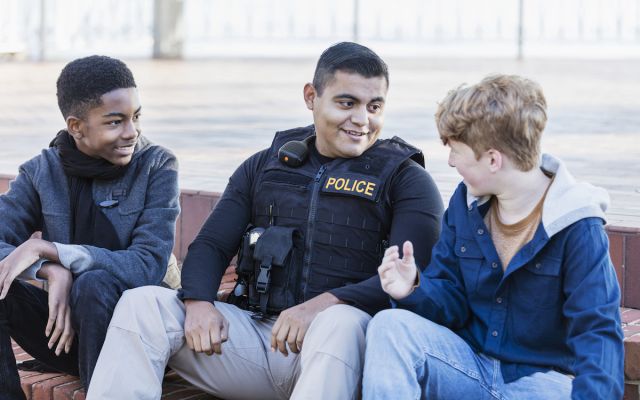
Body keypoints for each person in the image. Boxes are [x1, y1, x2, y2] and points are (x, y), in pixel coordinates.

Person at [86, 42, 444, 400]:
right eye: (346, 103)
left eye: (375, 106)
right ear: (311, 96)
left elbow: (415, 276)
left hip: (343, 355)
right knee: (142, 304)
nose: (362, 120)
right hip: (259, 341)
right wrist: (198, 302)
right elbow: (211, 244)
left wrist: (323, 305)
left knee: (341, 322)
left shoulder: (406, 179)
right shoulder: (265, 166)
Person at [363, 74, 624, 399]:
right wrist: (414, 286)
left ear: (492, 159)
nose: (450, 161)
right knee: (390, 327)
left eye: (457, 151)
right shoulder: (465, 202)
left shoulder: (577, 226)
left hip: (540, 383)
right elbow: (451, 299)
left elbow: (597, 333)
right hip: (467, 365)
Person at [0, 55, 180, 399]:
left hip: (143, 339)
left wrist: (53, 250)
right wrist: (49, 270)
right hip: (66, 332)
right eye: (115, 122)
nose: (132, 131)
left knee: (94, 284)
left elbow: (147, 266)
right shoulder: (42, 171)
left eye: (136, 116)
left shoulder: (157, 165)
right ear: (76, 126)